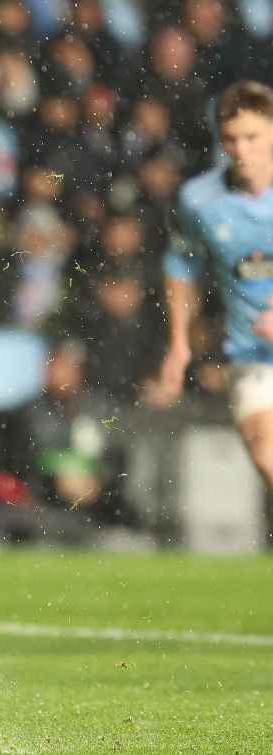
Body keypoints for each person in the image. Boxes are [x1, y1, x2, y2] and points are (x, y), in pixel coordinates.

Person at [153, 80, 273, 496]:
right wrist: (179, 343)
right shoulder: (200, 200)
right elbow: (180, 267)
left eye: (252, 137)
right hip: (254, 354)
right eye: (231, 139)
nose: (241, 150)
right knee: (266, 456)